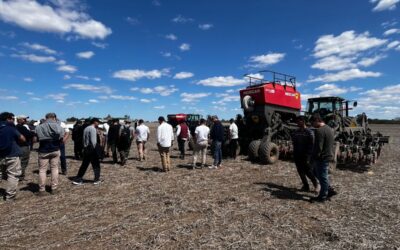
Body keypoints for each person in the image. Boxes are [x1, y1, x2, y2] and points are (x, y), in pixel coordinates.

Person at [35, 112, 65, 195]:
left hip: (43, 150)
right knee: (54, 168)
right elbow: (61, 138)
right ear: (54, 117)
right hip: (55, 149)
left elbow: (36, 139)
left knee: (42, 170)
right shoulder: (58, 126)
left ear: (46, 117)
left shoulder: (39, 127)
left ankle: (42, 190)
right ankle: (54, 188)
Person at [310, 113, 336, 203]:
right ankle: (329, 189)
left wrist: (313, 158)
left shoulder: (319, 131)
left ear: (317, 120)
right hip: (328, 155)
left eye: (313, 123)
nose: (312, 125)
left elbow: (318, 148)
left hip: (322, 157)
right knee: (316, 172)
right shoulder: (329, 129)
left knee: (322, 177)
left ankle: (322, 196)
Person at [0, 112, 25, 201]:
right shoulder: (10, 128)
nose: (13, 120)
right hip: (11, 154)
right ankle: (10, 196)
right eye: (12, 119)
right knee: (13, 175)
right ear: (8, 119)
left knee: (1, 174)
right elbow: (22, 138)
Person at [291, 116, 319, 192]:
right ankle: (306, 186)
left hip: (306, 155)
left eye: (298, 121)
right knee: (300, 171)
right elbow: (294, 142)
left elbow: (312, 145)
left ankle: (316, 184)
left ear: (303, 121)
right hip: (297, 154)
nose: (297, 123)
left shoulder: (309, 132)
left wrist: (309, 156)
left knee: (308, 171)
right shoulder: (296, 132)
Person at [72, 118, 103, 185]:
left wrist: (84, 147)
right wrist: (98, 150)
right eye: (98, 122)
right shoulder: (93, 129)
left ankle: (78, 179)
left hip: (86, 149)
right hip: (92, 150)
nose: (99, 123)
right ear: (95, 122)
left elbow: (84, 139)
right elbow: (93, 141)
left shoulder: (86, 128)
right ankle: (96, 180)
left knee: (84, 165)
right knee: (96, 165)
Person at [15, 115, 34, 180]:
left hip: (16, 146)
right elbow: (29, 134)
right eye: (24, 119)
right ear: (19, 120)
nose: (26, 120)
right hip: (23, 146)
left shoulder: (15, 127)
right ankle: (21, 176)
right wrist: (33, 133)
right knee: (23, 161)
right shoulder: (21, 127)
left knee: (17, 161)